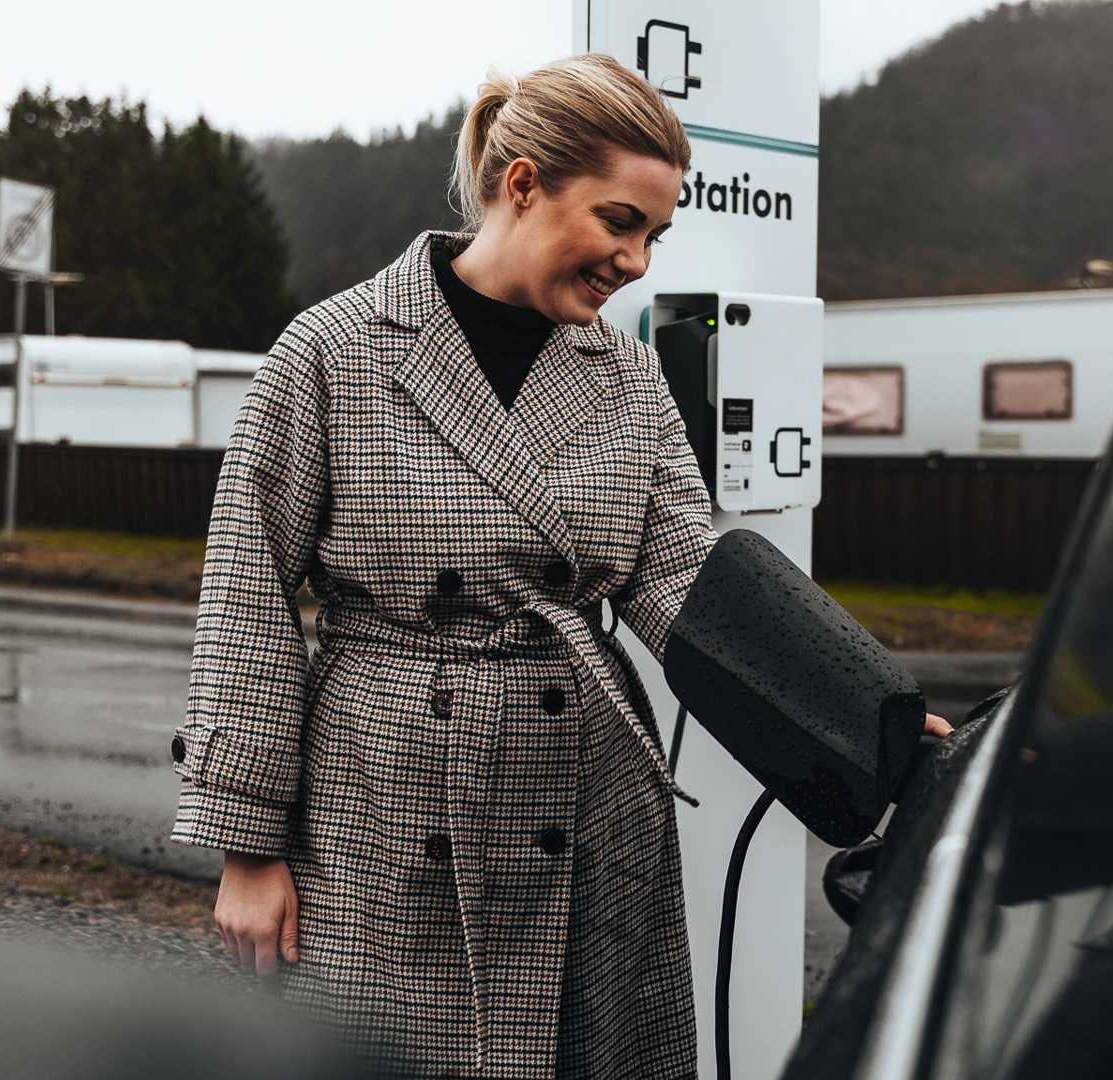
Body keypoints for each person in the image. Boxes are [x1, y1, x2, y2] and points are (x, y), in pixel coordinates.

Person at [166, 55, 944, 1078]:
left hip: (587, 793)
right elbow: (247, 595)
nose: (638, 261)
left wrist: (869, 721)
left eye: (655, 235)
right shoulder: (333, 350)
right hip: (381, 800)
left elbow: (687, 576)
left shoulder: (627, 376)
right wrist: (250, 848)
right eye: (621, 222)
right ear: (525, 183)